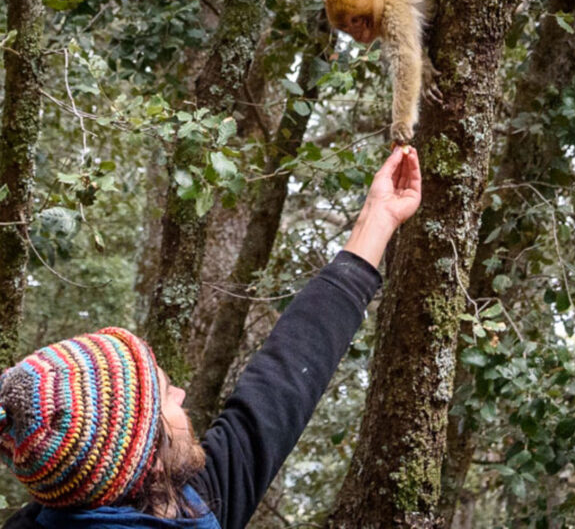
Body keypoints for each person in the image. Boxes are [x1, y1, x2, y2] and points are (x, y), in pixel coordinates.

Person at [0, 146, 421, 529]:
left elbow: (285, 379)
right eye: (166, 397)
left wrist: (377, 218)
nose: (181, 394)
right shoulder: (202, 505)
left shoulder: (176, 499)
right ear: (150, 465)